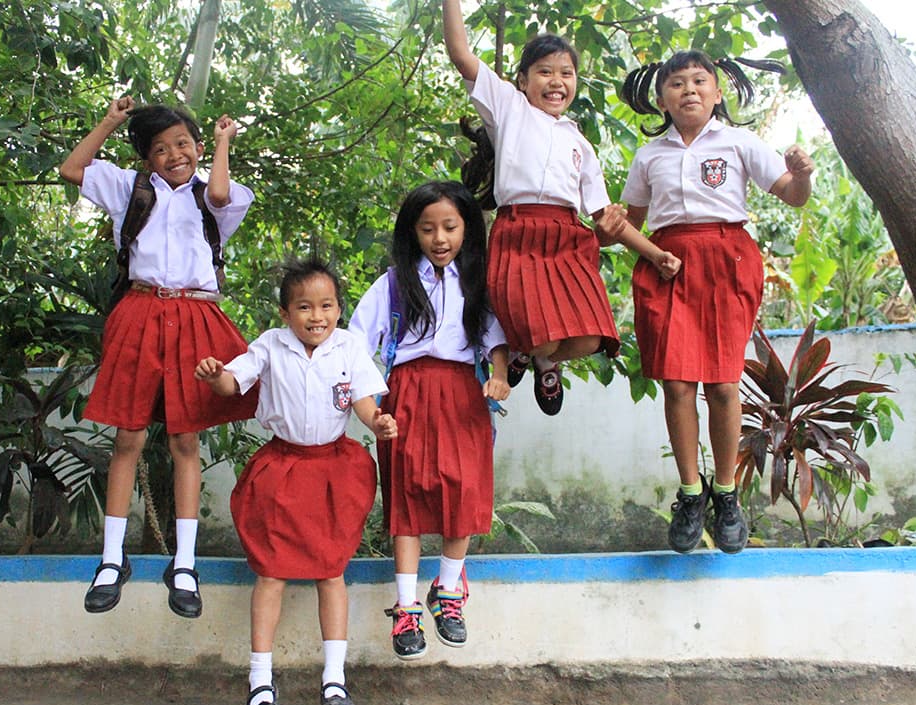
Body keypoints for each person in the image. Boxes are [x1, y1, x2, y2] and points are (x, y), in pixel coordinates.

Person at [60, 98, 258, 617]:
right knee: (128, 436)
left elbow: (215, 191)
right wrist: (109, 121)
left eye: (183, 144)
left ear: (198, 146)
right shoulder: (131, 188)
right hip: (141, 311)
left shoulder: (222, 195)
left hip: (195, 316)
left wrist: (219, 141)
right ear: (146, 158)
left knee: (184, 439)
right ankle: (111, 559)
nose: (175, 154)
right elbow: (72, 169)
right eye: (161, 148)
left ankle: (185, 563)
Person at [617, 49, 814, 554]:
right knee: (678, 385)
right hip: (667, 264)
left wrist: (802, 172)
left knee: (724, 385)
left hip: (727, 263)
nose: (689, 91)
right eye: (677, 83)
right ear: (662, 98)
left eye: (699, 81)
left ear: (717, 92)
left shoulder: (739, 142)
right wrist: (604, 229)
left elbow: (792, 193)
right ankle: (690, 493)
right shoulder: (650, 156)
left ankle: (725, 495)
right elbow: (629, 226)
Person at [195, 258, 398, 705]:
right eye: (304, 307)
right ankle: (260, 684)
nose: (316, 316)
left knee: (331, 572)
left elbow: (364, 400)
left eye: (326, 305)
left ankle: (334, 683)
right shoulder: (269, 345)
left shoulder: (349, 347)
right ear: (285, 313)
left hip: (334, 473)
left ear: (339, 310)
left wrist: (378, 422)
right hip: (282, 472)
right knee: (271, 573)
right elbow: (233, 381)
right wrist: (215, 377)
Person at [442, 0, 655, 415]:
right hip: (518, 235)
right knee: (540, 334)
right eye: (545, 71)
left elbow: (606, 218)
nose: (556, 81)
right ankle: (532, 352)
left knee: (591, 339)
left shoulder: (581, 143)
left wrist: (655, 253)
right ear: (522, 81)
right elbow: (460, 54)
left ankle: (540, 360)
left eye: (566, 73)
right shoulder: (509, 109)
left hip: (566, 241)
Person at [348, 180, 510, 661]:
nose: (440, 238)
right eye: (427, 229)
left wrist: (499, 375)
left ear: (467, 229)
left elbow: (495, 339)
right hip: (407, 394)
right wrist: (371, 404)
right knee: (409, 493)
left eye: (450, 227)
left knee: (463, 490)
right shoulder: (394, 283)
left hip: (463, 393)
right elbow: (357, 346)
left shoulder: (478, 282)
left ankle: (448, 591)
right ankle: (405, 607)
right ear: (411, 233)